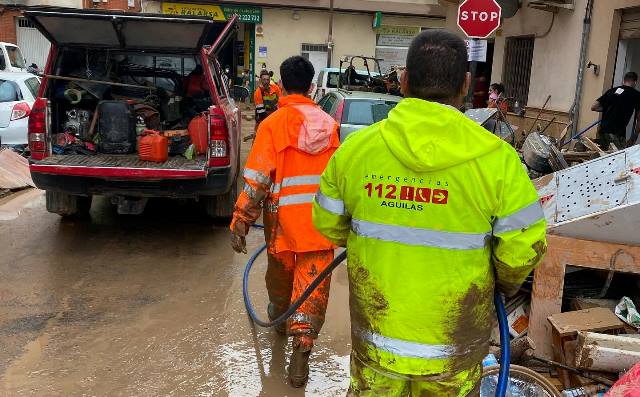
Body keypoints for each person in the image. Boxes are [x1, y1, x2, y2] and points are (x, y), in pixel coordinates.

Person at [312, 29, 547, 396]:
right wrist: (502, 281)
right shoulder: (497, 159)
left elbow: (327, 224)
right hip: (453, 350)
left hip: (377, 344)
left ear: (403, 80)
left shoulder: (356, 151)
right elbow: (524, 248)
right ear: (466, 84)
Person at [230, 56, 340, 388]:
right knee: (312, 287)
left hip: (282, 228)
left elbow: (257, 179)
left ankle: (280, 318)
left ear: (281, 83)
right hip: (321, 227)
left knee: (280, 282)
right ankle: (303, 345)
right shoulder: (330, 126)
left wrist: (241, 219)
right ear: (311, 87)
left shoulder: (273, 125)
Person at [592, 71, 640, 149]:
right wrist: (633, 138)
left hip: (603, 132)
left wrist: (607, 109)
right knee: (618, 158)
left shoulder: (612, 91)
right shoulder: (637, 95)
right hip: (617, 135)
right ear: (635, 82)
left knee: (602, 156)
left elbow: (593, 107)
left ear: (623, 81)